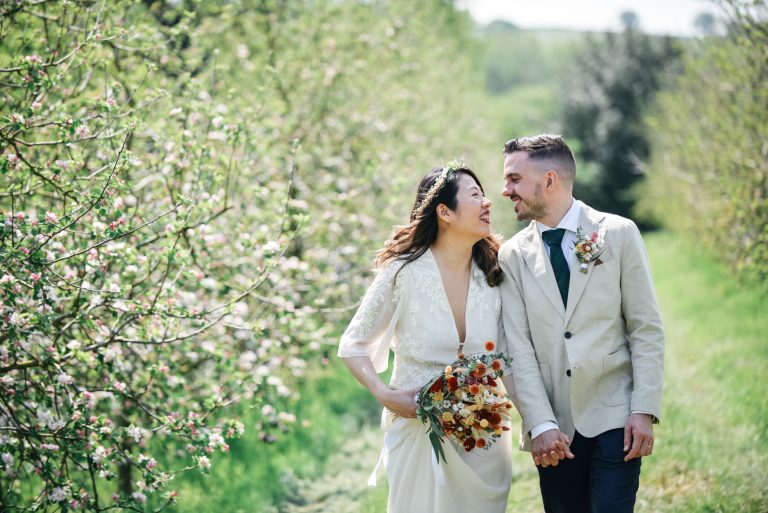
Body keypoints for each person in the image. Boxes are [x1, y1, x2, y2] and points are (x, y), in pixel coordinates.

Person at [497, 134, 665, 513]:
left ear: (550, 180)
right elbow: (516, 347)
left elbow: (645, 328)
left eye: (514, 179)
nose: (505, 190)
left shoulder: (619, 234)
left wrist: (643, 408)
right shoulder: (511, 256)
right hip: (555, 431)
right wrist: (539, 424)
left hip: (615, 417)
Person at [337, 162, 516, 513]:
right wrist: (385, 394)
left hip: (484, 437)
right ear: (444, 212)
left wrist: (538, 424)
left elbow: (512, 357)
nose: (488, 203)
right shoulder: (402, 273)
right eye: (475, 195)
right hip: (418, 431)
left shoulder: (495, 271)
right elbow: (353, 344)